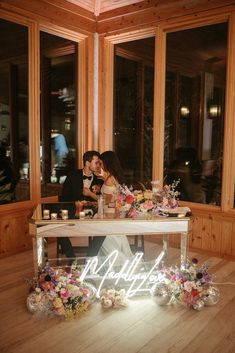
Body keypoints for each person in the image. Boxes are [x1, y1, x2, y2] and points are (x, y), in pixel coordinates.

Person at [59, 150, 104, 261]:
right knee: (57, 228)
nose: (98, 165)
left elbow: (102, 199)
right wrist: (75, 204)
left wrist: (91, 197)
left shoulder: (99, 179)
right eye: (96, 162)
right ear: (87, 163)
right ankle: (72, 258)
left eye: (99, 162)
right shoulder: (72, 175)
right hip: (73, 210)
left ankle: (89, 258)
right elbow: (64, 196)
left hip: (92, 213)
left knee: (104, 231)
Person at [97, 151, 134, 265]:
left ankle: (120, 264)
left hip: (109, 214)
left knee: (106, 243)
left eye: (101, 163)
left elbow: (109, 202)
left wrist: (107, 215)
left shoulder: (109, 179)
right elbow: (116, 197)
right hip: (115, 213)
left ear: (107, 163)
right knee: (115, 242)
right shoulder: (114, 177)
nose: (100, 166)